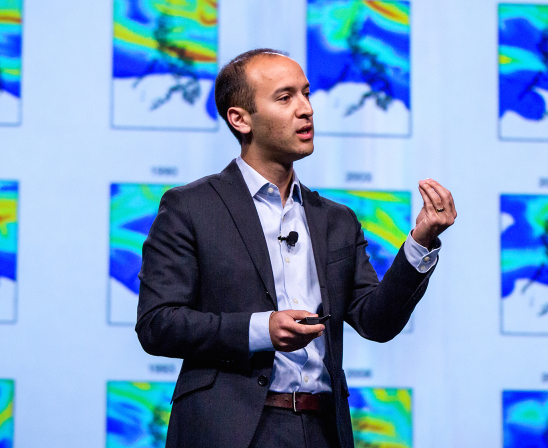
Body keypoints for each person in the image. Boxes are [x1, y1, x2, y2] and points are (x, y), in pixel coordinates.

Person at [136, 48, 456, 448]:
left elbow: (376, 322)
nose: (306, 109)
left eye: (306, 94)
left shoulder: (336, 219)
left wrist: (420, 243)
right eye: (285, 98)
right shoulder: (191, 207)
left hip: (321, 429)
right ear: (240, 118)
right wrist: (261, 329)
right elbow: (158, 325)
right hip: (229, 430)